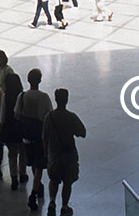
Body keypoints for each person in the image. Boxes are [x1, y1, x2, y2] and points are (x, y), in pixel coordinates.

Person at [43, 88, 87, 216]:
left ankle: (51, 202)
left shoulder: (49, 117)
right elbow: (82, 132)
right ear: (67, 100)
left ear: (55, 99)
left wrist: (45, 154)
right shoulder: (71, 117)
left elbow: (44, 137)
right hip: (68, 155)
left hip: (54, 155)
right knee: (67, 181)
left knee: (53, 179)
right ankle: (64, 206)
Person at [15, 68, 53, 212]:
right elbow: (49, 115)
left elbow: (17, 114)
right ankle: (34, 192)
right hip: (39, 134)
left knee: (32, 161)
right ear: (40, 80)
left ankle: (38, 186)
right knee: (40, 163)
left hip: (27, 134)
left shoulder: (22, 96)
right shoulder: (44, 97)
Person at [1, 72, 28, 191]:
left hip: (9, 128)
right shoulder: (22, 95)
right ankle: (23, 173)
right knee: (23, 152)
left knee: (12, 154)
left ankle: (14, 177)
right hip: (21, 128)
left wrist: (0, 128)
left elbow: (2, 114)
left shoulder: (5, 96)